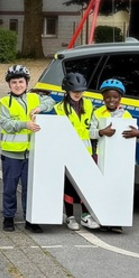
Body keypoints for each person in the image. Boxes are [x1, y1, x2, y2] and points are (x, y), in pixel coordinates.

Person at [0, 64, 54, 233]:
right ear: (9, 84)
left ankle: (30, 218)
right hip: (12, 154)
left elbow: (50, 101)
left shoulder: (34, 98)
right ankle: (8, 217)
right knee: (10, 188)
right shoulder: (4, 102)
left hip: (31, 153)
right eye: (14, 82)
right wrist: (25, 124)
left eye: (21, 81)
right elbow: (7, 124)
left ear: (27, 83)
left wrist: (40, 107)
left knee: (30, 188)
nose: (18, 85)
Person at [87, 78, 139, 233]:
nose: (111, 100)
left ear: (120, 98)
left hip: (120, 159)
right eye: (108, 97)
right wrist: (101, 132)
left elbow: (136, 131)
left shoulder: (126, 115)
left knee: (118, 189)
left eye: (115, 97)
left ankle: (116, 221)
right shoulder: (97, 113)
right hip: (103, 157)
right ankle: (103, 219)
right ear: (103, 98)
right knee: (103, 189)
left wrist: (138, 134)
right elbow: (90, 132)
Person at [55, 72, 92, 232]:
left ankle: (85, 215)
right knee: (69, 187)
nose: (78, 94)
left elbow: (94, 124)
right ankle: (70, 216)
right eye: (74, 91)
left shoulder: (89, 105)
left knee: (85, 185)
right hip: (67, 152)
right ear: (67, 90)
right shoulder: (59, 108)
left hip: (85, 153)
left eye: (81, 91)